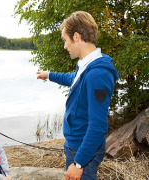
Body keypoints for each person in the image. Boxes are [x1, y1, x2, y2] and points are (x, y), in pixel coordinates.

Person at [36, 11, 119, 180]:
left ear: (76, 37)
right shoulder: (86, 66)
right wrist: (49, 74)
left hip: (84, 152)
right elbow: (74, 79)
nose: (65, 46)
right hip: (77, 146)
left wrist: (79, 163)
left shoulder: (98, 75)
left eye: (65, 40)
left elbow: (98, 126)